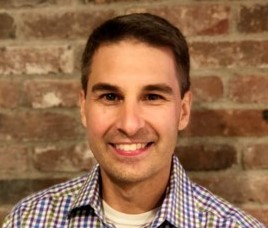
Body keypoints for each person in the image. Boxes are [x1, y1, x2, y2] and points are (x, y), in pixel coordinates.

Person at [3, 13, 264, 228]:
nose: (129, 124)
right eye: (109, 96)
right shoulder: (27, 220)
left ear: (183, 111)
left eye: (152, 97)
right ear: (84, 108)